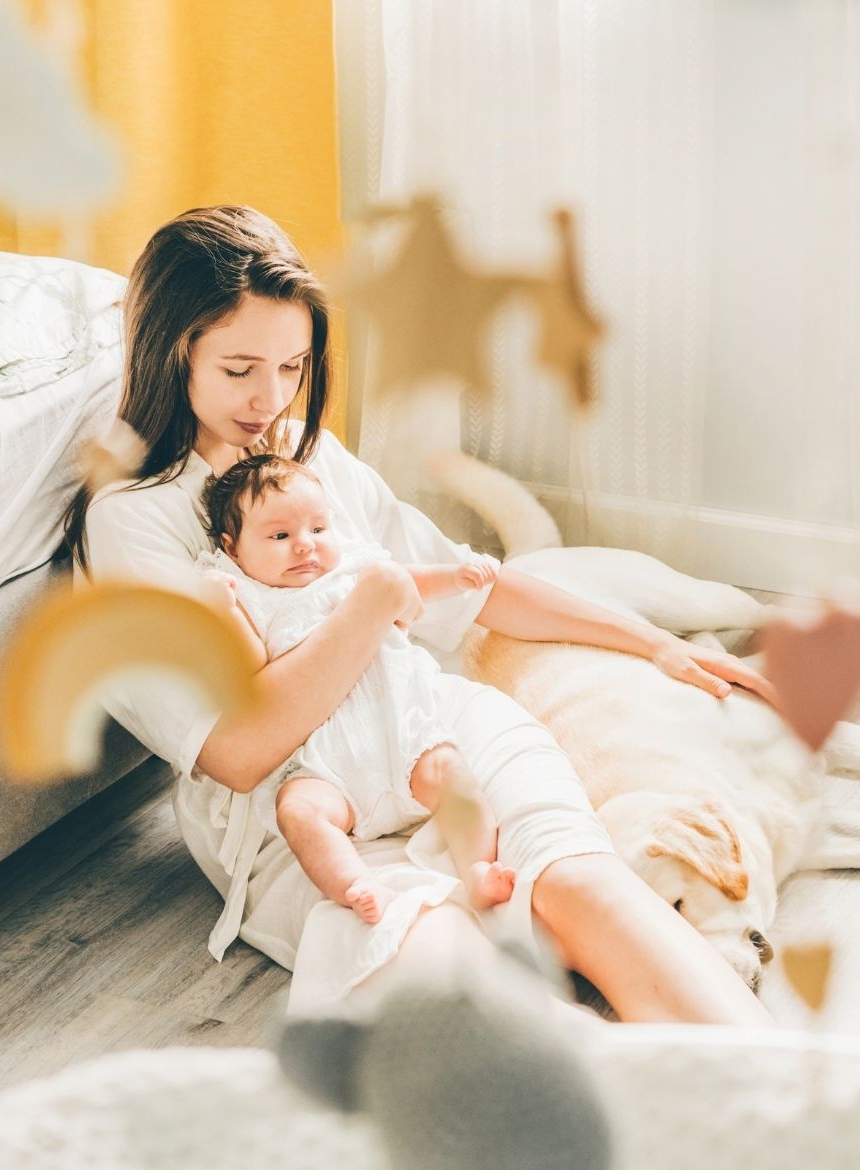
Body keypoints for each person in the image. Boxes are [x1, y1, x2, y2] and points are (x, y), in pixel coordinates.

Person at [64, 204, 776, 1022]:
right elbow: (238, 750)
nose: (271, 399)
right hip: (304, 814)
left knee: (584, 887)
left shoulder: (309, 455)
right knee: (468, 999)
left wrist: (655, 644)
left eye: (293, 367)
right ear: (170, 353)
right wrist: (366, 611)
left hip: (433, 732)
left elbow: (474, 585)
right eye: (239, 370)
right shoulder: (132, 520)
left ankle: (774, 1118)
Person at [197, 451, 514, 924]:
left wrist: (454, 578)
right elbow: (253, 671)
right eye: (280, 536)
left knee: (453, 776)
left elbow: (407, 582)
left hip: (401, 737)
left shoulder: (353, 569)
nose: (305, 546)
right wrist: (224, 615)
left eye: (318, 530)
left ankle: (478, 870)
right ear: (234, 547)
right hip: (323, 763)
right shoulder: (247, 595)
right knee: (299, 812)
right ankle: (357, 884)